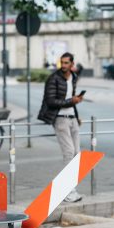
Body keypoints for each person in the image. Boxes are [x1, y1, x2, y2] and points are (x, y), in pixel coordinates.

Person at [38, 52, 84, 203]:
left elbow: (71, 98)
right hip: (60, 119)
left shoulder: (74, 77)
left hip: (72, 119)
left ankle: (72, 190)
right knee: (69, 152)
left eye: (66, 63)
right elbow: (51, 101)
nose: (63, 66)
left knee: (77, 154)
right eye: (61, 63)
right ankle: (67, 192)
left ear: (72, 64)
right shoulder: (54, 78)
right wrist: (72, 101)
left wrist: (76, 115)